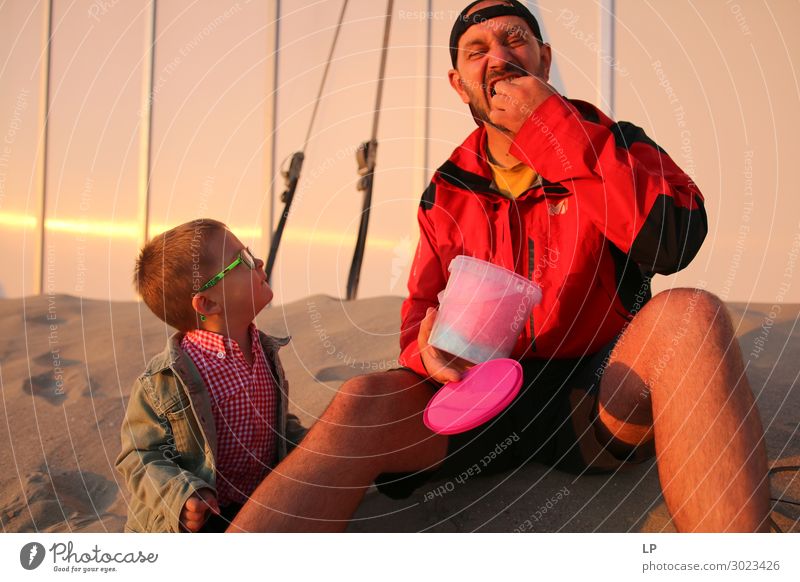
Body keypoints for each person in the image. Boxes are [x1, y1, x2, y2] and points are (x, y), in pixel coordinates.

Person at [230, 0, 770, 532]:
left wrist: (555, 128)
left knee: (691, 315)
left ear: (545, 57)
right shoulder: (446, 189)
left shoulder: (616, 143)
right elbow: (420, 311)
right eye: (476, 50)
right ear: (458, 82)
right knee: (362, 399)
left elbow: (673, 244)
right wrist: (427, 352)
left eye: (515, 39)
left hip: (598, 398)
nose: (498, 56)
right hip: (479, 401)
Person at [116, 219, 306, 532]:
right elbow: (139, 455)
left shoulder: (264, 351)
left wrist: (316, 444)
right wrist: (182, 494)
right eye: (242, 259)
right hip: (200, 523)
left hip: (253, 509)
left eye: (250, 252)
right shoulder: (166, 381)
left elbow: (276, 428)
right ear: (207, 302)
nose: (257, 261)